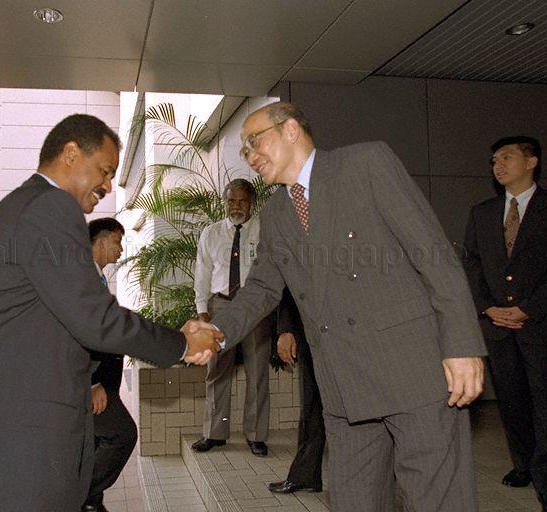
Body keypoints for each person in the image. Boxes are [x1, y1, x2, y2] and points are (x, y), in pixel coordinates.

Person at [185, 101, 487, 512]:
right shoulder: (275, 214)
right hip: (343, 390)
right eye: (244, 152)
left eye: (254, 143)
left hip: (412, 374)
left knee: (437, 501)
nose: (250, 157)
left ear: (291, 129)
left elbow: (433, 255)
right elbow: (260, 289)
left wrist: (462, 345)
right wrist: (217, 333)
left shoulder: (365, 164)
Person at [0, 114, 222, 512]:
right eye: (104, 170)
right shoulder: (50, 207)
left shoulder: (24, 206)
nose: (108, 185)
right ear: (70, 154)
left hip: (5, 438)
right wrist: (182, 343)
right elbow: (94, 318)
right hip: (14, 443)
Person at [463, 136, 547, 509]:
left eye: (507, 157)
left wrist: (530, 307)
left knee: (542, 402)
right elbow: (473, 264)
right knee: (511, 401)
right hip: (497, 326)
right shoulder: (482, 212)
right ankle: (523, 464)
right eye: (495, 159)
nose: (498, 165)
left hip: (538, 324)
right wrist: (486, 307)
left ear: (532, 162)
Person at [191, 178, 272, 457]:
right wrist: (202, 310)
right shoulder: (211, 234)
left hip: (254, 308)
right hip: (221, 308)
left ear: (252, 203)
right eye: (231, 201)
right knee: (217, 372)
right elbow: (202, 274)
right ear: (225, 202)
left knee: (257, 371)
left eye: (242, 201)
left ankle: (256, 435)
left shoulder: (265, 231)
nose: (236, 206)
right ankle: (214, 433)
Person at [82, 217, 135, 512]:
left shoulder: (97, 278)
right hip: (91, 382)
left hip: (103, 380)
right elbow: (76, 334)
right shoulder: (83, 280)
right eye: (117, 241)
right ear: (101, 242)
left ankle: (90, 503)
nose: (120, 248)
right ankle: (76, 496)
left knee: (93, 444)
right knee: (122, 434)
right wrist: (91, 382)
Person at [268, 287, 325, 494]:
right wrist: (286, 329)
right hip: (312, 330)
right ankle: (306, 475)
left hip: (353, 333)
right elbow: (289, 284)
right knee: (312, 407)